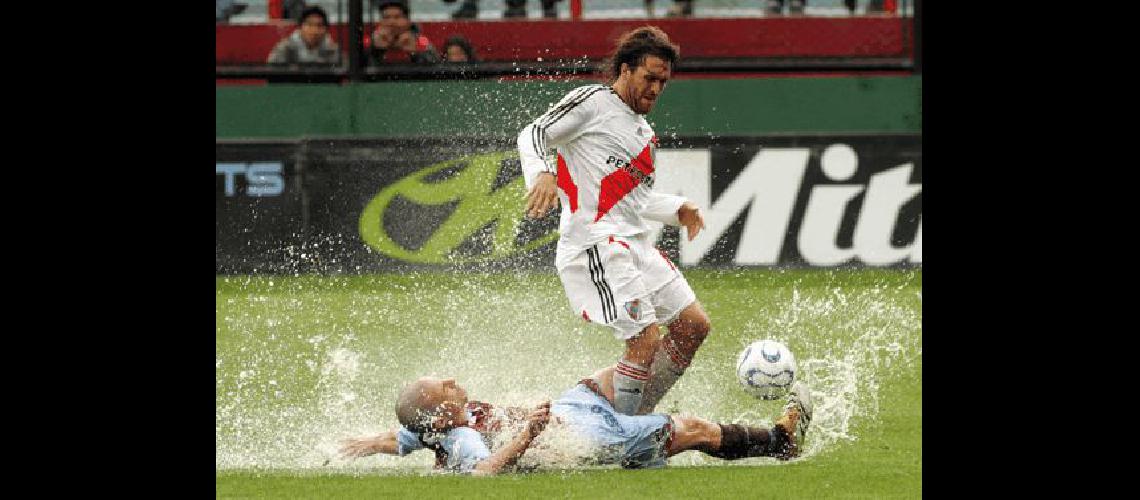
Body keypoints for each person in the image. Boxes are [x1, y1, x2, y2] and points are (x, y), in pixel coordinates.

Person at [516, 26, 710, 418]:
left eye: (663, 82)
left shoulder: (644, 133)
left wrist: (677, 209)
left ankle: (631, 416)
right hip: (596, 243)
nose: (656, 89)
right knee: (645, 340)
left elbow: (630, 202)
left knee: (694, 325)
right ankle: (623, 432)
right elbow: (533, 132)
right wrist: (542, 172)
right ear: (625, 70)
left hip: (634, 243)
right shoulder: (593, 102)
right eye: (649, 78)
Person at [339, 370, 813, 473]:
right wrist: (526, 435)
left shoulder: (434, 424)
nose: (452, 378)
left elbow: (402, 434)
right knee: (691, 429)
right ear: (443, 410)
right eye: (444, 385)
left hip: (569, 412)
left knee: (609, 378)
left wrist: (362, 443)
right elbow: (483, 472)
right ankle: (778, 441)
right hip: (584, 440)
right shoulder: (462, 438)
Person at [369, 1, 441, 64]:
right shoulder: (370, 42)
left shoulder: (421, 42)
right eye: (386, 17)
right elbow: (361, 70)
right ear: (380, 21)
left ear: (408, 21)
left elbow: (437, 69)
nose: (392, 22)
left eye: (397, 17)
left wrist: (415, 53)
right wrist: (377, 51)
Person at [266, 5, 342, 65]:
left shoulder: (332, 50)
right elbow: (272, 72)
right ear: (300, 28)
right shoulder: (285, 48)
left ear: (326, 30)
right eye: (309, 25)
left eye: (319, 25)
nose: (314, 31)